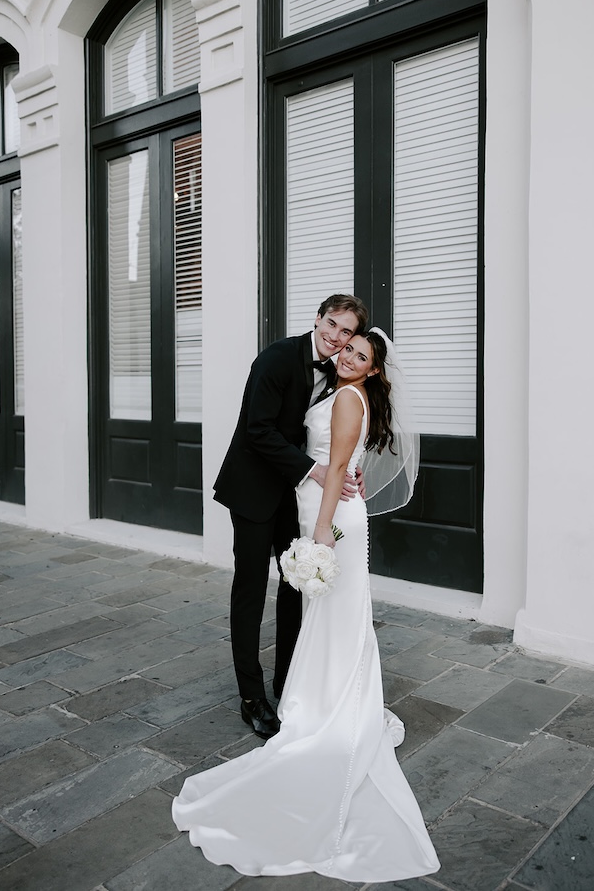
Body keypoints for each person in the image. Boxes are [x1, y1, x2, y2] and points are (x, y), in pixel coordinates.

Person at [173, 328, 440, 882]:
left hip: (328, 515)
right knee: (330, 614)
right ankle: (316, 693)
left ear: (372, 370)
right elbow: (317, 448)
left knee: (332, 613)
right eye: (345, 345)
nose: (346, 354)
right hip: (317, 507)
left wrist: (319, 536)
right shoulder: (334, 385)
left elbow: (339, 466)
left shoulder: (347, 394)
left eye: (359, 353)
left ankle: (328, 705)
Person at [213, 294, 369, 739]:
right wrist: (315, 470)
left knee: (294, 586)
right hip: (253, 490)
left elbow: (330, 431)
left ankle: (288, 680)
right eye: (332, 324)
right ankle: (251, 696)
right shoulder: (277, 358)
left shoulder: (339, 371)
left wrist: (347, 464)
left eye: (345, 332)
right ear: (317, 318)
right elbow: (256, 429)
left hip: (293, 495)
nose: (336, 337)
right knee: (249, 590)